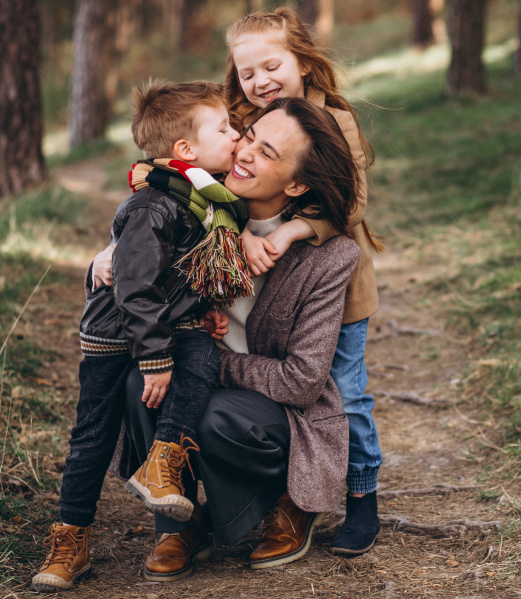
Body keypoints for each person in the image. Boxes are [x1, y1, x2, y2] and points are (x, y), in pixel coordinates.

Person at [104, 98, 361, 581]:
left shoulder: (330, 257)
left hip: (279, 412)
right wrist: (110, 254)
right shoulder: (197, 209)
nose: (244, 153)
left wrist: (206, 364)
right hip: (198, 375)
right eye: (249, 137)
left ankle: (291, 501)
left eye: (267, 153)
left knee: (211, 410)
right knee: (139, 385)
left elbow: (302, 381)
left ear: (297, 183)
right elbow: (141, 229)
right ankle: (178, 523)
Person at [31, 80, 244, 593]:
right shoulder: (154, 206)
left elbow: (185, 271)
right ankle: (71, 538)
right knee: (92, 436)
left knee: (201, 360)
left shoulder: (203, 201)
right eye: (225, 128)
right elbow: (135, 286)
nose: (237, 134)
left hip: (170, 324)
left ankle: (162, 462)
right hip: (115, 334)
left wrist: (208, 307)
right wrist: (153, 357)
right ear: (185, 150)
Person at [225, 7, 383, 556]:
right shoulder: (246, 123)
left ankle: (363, 500)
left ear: (303, 63)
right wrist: (240, 232)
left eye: (272, 66)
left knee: (347, 396)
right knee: (283, 385)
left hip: (338, 292)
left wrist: (296, 227)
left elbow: (355, 201)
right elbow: (215, 181)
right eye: (248, 74)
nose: (260, 82)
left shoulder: (334, 121)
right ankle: (286, 495)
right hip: (274, 292)